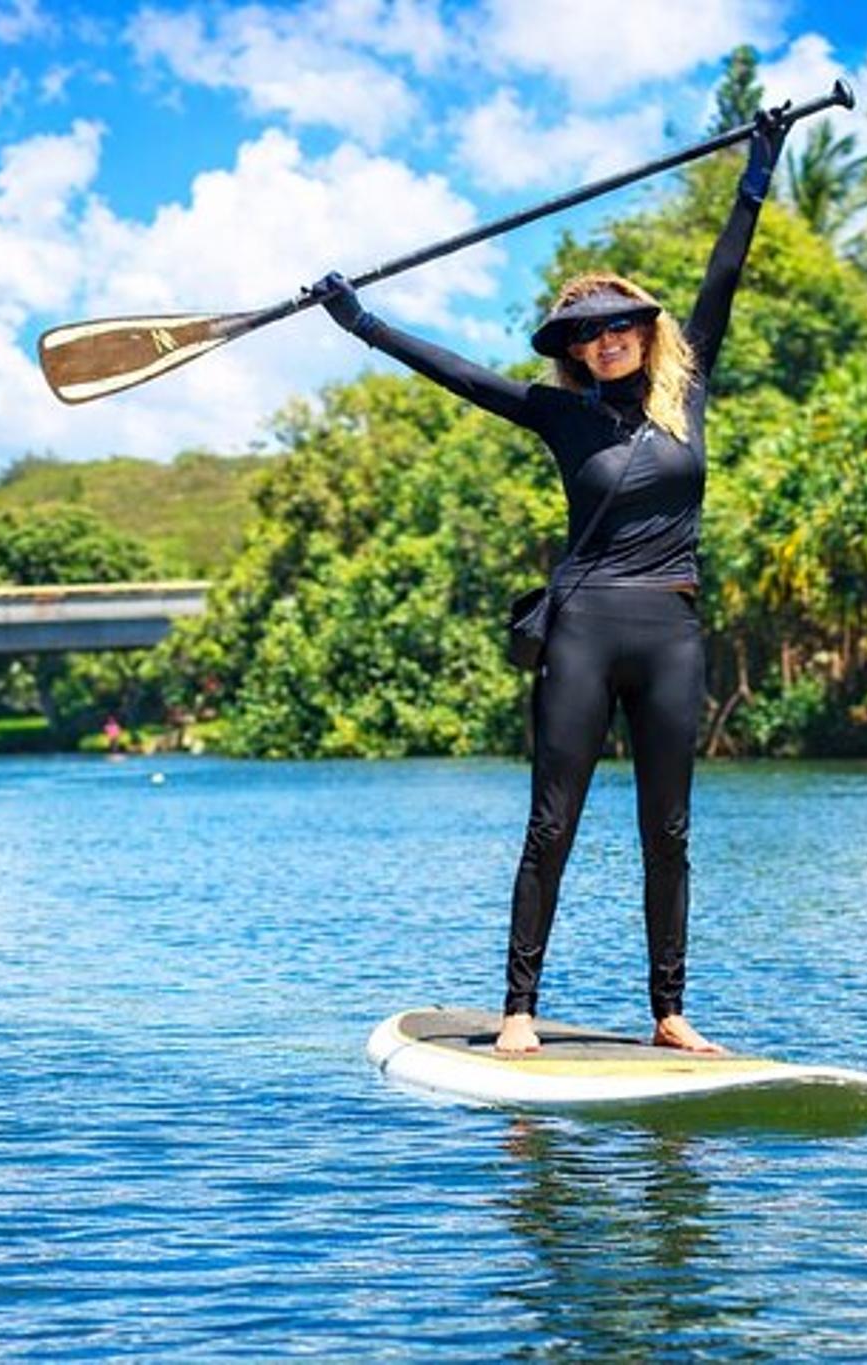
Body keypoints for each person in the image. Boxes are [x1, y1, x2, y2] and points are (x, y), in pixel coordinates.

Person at [309, 107, 790, 1056]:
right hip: (583, 630)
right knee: (552, 824)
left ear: (644, 333)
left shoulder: (686, 393)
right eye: (588, 334)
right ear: (574, 350)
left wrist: (759, 165)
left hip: (672, 632)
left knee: (671, 832)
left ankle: (669, 1013)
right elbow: (457, 374)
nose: (606, 342)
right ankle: (519, 1009)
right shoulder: (561, 418)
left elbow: (725, 274)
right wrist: (360, 320)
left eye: (619, 327)